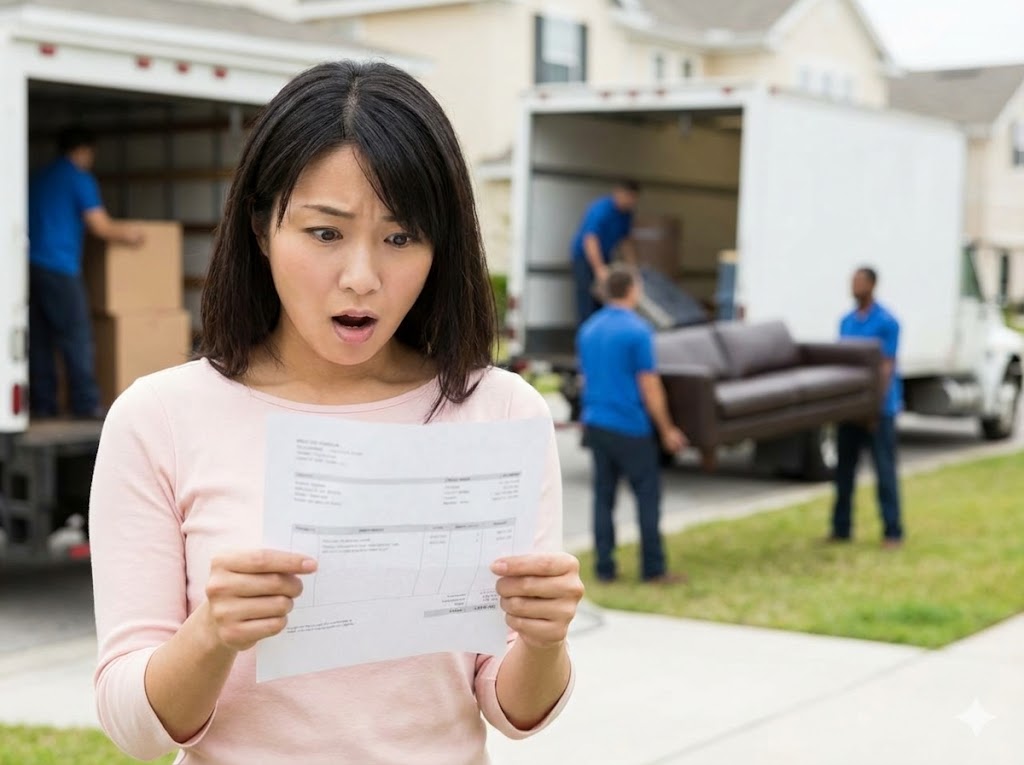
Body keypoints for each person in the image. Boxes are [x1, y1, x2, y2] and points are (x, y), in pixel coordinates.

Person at [89, 61, 582, 764]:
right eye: (325, 233)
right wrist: (212, 633)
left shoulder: (501, 410)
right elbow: (133, 731)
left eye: (400, 238)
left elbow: (515, 711)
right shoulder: (160, 418)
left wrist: (543, 638)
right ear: (261, 228)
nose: (362, 277)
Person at [577, 264, 687, 584]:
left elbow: (586, 379)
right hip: (630, 426)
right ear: (632, 290)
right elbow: (650, 386)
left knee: (603, 497)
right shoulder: (638, 331)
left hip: (596, 423)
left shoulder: (588, 329)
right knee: (647, 496)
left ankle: (604, 568)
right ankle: (653, 568)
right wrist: (667, 429)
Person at [28, 126, 144, 419]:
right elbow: (100, 226)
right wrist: (131, 235)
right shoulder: (79, 179)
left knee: (41, 339)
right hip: (61, 267)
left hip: (32, 267)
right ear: (83, 150)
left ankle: (44, 404)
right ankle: (85, 403)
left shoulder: (39, 177)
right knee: (76, 335)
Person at [829, 266, 905, 548]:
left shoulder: (887, 322)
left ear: (872, 285)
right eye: (853, 281)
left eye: (859, 281)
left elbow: (886, 367)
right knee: (844, 472)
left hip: (879, 412)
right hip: (851, 410)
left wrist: (874, 407)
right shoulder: (846, 321)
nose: (854, 285)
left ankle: (892, 531)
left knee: (884, 471)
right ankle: (841, 528)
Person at [570, 181, 640, 325]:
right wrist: (599, 269)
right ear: (618, 193)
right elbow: (590, 240)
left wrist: (633, 268)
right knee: (587, 298)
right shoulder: (601, 209)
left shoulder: (626, 214)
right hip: (585, 257)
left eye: (633, 199)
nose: (630, 202)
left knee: (604, 299)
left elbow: (625, 242)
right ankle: (586, 331)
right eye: (628, 197)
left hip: (605, 255)